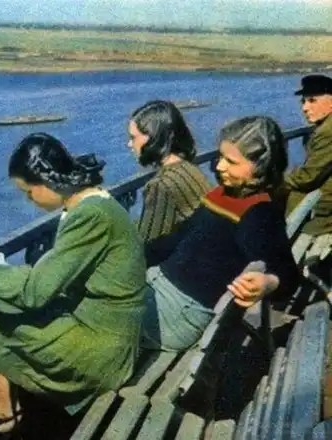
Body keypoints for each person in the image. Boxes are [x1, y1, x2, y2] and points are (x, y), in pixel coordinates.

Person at [0, 132, 147, 433]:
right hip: (112, 339)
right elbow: (49, 278)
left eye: (28, 192)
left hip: (103, 356)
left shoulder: (90, 216)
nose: (29, 200)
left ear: (46, 182)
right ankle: (8, 401)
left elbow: (35, 292)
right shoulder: (95, 203)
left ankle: (1, 410)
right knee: (1, 301)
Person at [141, 116, 300, 352]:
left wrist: (269, 282)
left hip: (177, 314)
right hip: (163, 293)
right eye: (220, 157)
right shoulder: (224, 194)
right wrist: (132, 254)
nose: (219, 166)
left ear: (260, 166)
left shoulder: (259, 213)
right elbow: (179, 239)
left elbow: (288, 273)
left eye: (231, 161)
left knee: (93, 307)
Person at [128, 100, 212, 242]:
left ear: (153, 138)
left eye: (133, 138)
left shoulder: (161, 185)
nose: (129, 144)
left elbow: (148, 242)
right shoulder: (189, 168)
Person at [282, 74, 332, 236]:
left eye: (312, 101)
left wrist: (276, 183)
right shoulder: (325, 126)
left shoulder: (328, 132)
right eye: (303, 101)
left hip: (325, 211)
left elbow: (307, 178)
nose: (304, 108)